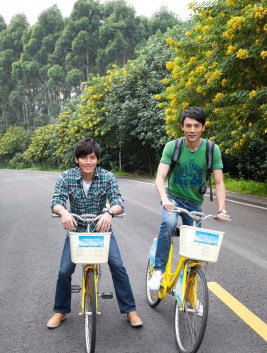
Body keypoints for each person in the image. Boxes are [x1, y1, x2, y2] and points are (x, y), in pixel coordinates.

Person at [47, 138, 143, 328]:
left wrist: (109, 213)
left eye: (92, 157)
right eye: (84, 157)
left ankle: (130, 310)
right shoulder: (66, 177)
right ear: (77, 159)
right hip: (76, 232)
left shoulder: (107, 177)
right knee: (64, 270)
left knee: (118, 265)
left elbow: (118, 203)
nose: (88, 162)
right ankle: (60, 310)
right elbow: (56, 201)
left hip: (102, 231)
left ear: (97, 159)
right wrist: (64, 212)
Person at [148, 106, 230, 290]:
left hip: (194, 203)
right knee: (169, 224)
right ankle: (159, 271)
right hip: (173, 199)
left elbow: (219, 183)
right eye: (188, 126)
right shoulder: (173, 147)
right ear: (182, 127)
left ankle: (190, 295)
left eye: (196, 126)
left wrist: (222, 209)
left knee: (195, 248)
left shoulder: (211, 149)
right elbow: (160, 177)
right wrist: (165, 199)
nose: (192, 130)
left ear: (203, 127)